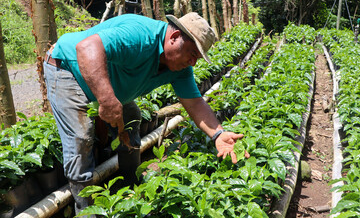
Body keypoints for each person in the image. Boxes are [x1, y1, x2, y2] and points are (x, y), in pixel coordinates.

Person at [43, 12, 246, 216]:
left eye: (197, 58)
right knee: (81, 138)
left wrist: (218, 134)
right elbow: (86, 48)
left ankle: (131, 186)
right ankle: (86, 210)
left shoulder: (179, 69)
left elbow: (194, 103)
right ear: (174, 37)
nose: (193, 63)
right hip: (67, 67)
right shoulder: (140, 37)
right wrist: (105, 99)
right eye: (192, 54)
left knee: (131, 117)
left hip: (103, 76)